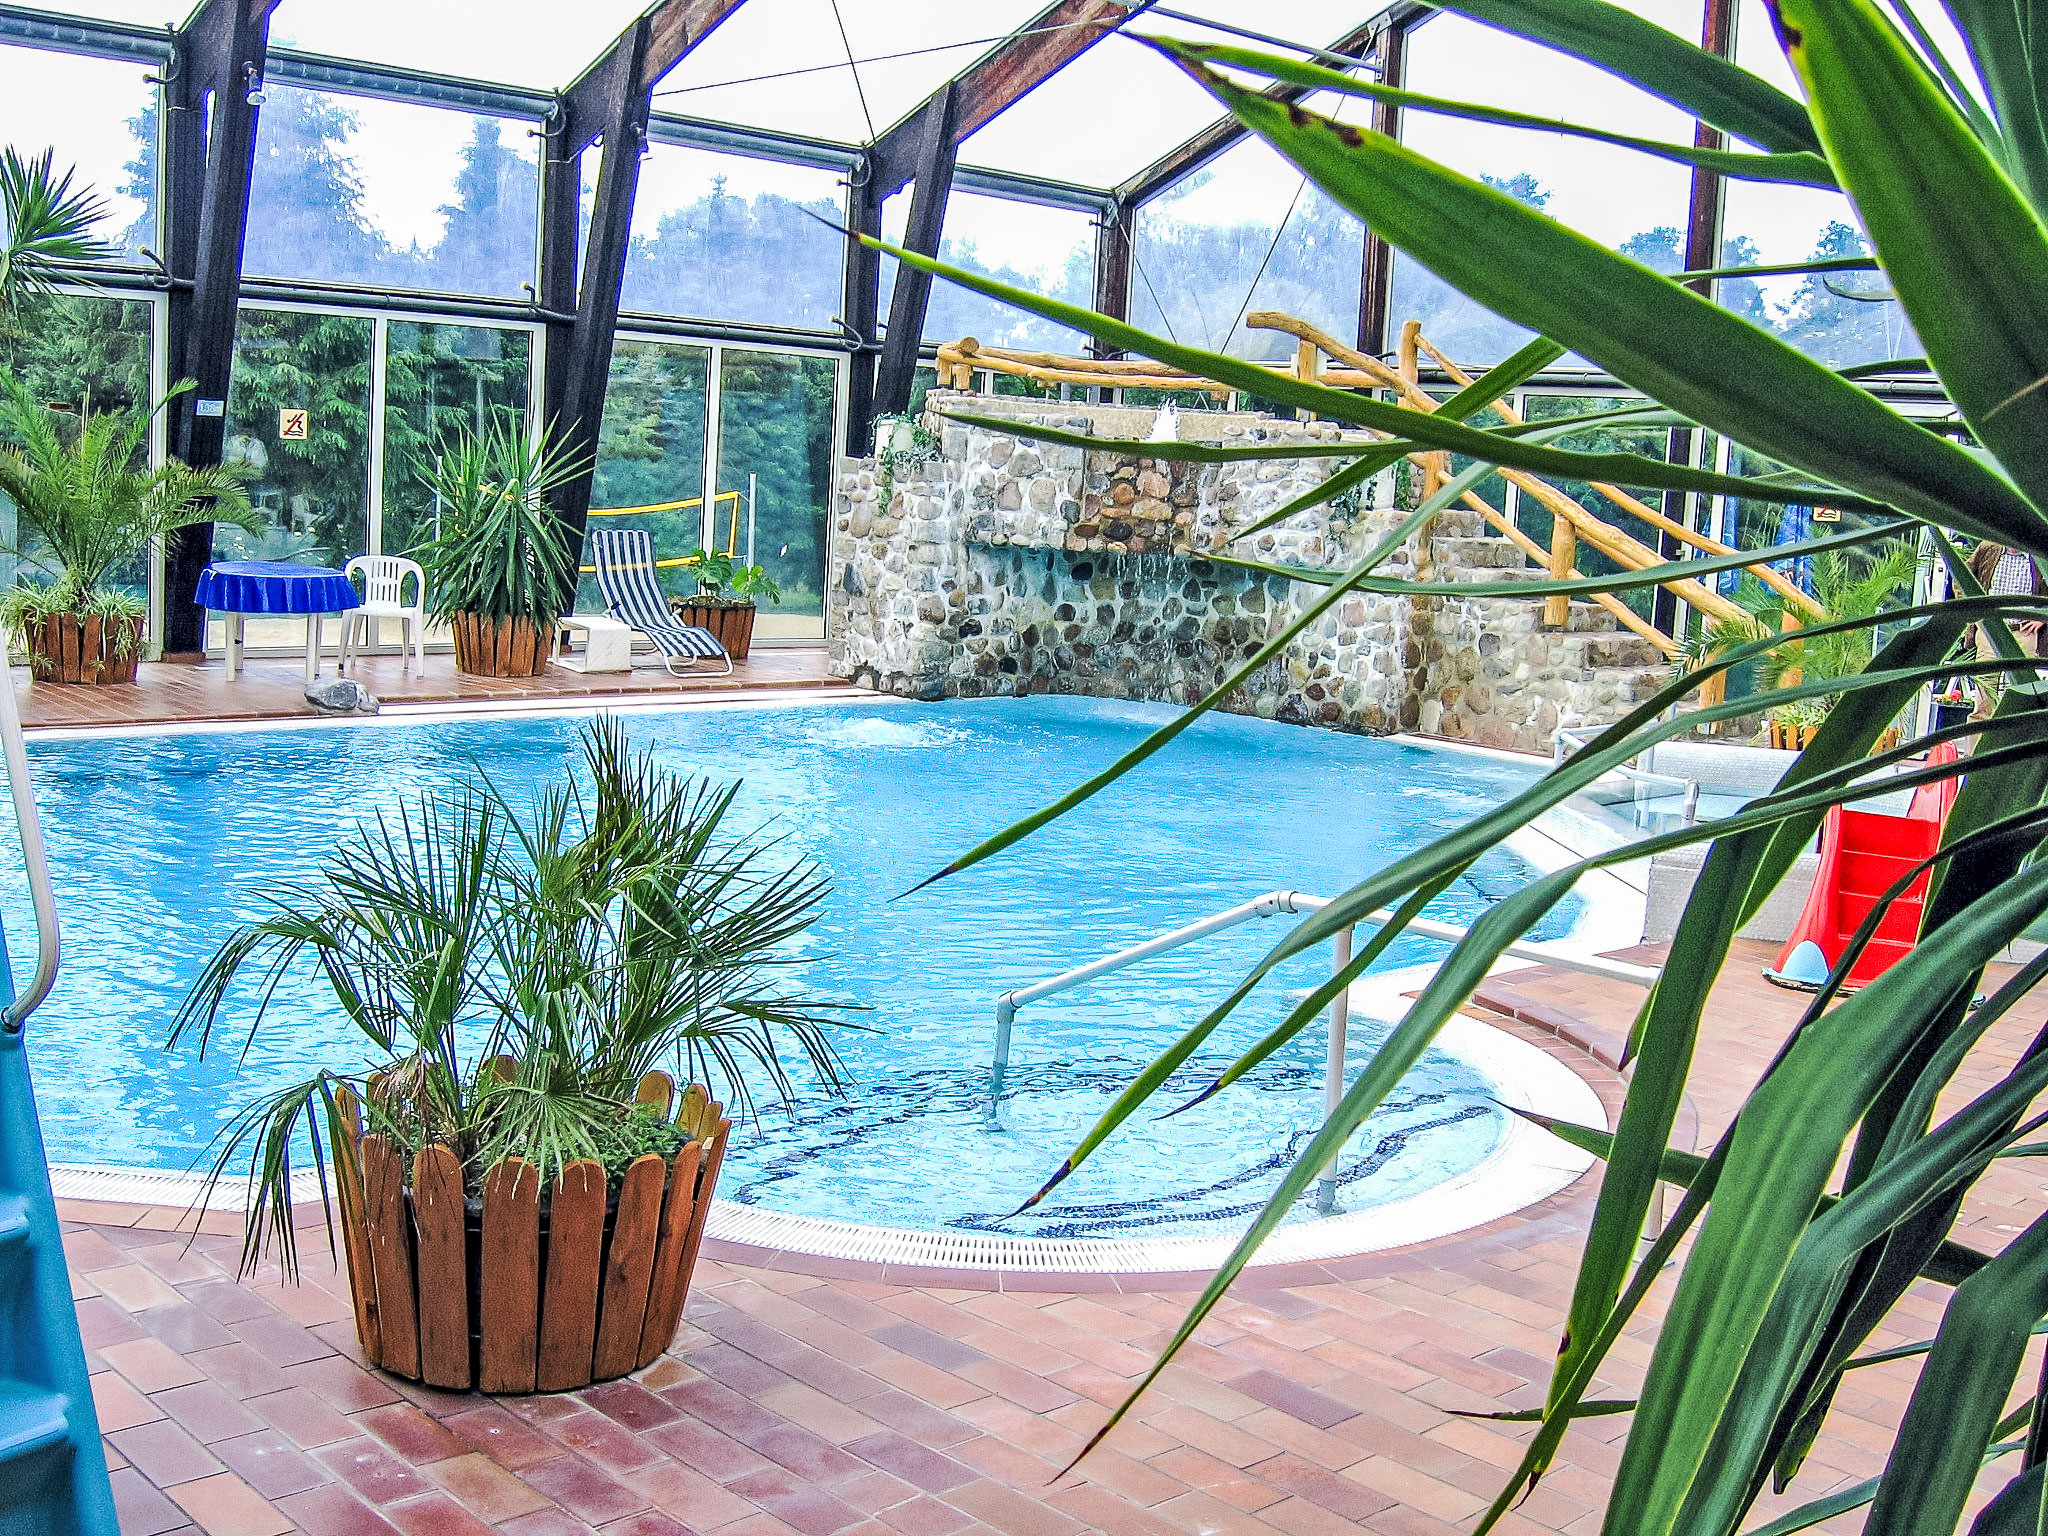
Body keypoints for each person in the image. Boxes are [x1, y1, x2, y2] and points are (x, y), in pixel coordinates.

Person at [1967, 539, 2044, 728]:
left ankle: (2011, 752)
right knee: (1984, 695)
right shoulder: (1988, 548)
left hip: (2024, 632)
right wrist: (1974, 614)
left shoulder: (2039, 555)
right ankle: (1974, 754)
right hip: (1990, 631)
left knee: (2021, 697)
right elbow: (1963, 578)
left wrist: (2043, 617)